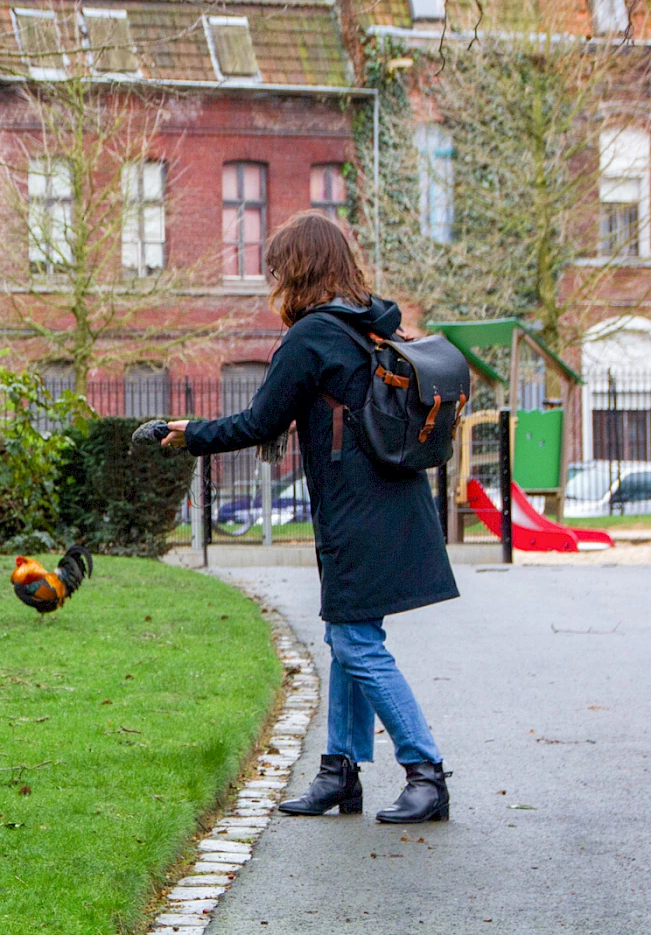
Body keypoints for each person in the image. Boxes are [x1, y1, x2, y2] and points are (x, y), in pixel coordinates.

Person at [160, 210, 456, 824]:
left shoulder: (312, 337)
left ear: (297, 270)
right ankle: (338, 773)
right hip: (394, 500)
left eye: (276, 268)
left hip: (356, 512)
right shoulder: (367, 323)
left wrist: (189, 434)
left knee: (355, 640)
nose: (271, 280)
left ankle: (425, 772)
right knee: (346, 635)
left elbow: (260, 422)